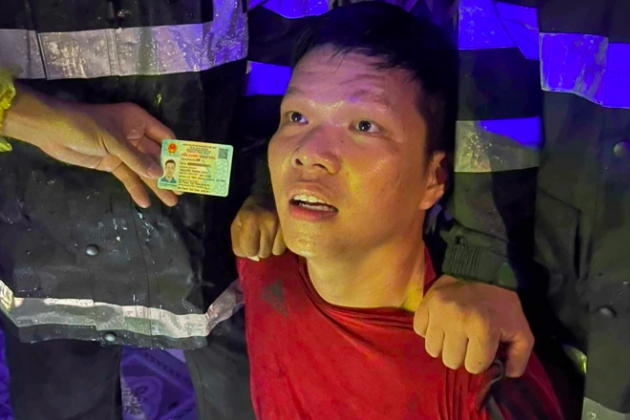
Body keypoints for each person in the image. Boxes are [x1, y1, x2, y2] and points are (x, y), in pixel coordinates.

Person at [236, 3, 563, 419]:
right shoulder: (260, 263)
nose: (308, 153)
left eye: (364, 126)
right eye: (297, 116)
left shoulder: (475, 373)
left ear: (434, 177)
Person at [0, 2, 255, 419]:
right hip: (39, 234)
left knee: (251, 400)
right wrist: (23, 114)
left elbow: (304, 36)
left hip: (221, 229)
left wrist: (268, 181)